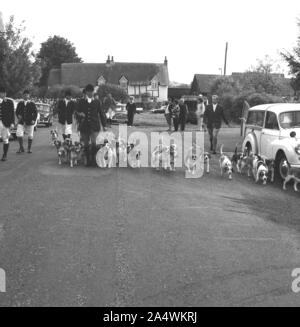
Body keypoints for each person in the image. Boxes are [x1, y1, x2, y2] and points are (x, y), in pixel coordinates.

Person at [75, 84, 107, 166]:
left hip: (94, 125)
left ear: (93, 92)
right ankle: (87, 159)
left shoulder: (97, 102)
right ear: (86, 92)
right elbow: (76, 113)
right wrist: (80, 114)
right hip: (84, 125)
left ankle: (93, 159)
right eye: (88, 92)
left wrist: (104, 125)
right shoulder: (81, 101)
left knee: (94, 143)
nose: (90, 93)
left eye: (91, 92)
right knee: (85, 143)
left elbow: (101, 114)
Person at [15, 90, 38, 154]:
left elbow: (35, 113)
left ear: (29, 95)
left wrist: (34, 119)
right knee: (19, 134)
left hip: (30, 121)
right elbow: (17, 112)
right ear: (23, 95)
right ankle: (21, 147)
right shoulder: (20, 103)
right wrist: (18, 115)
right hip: (21, 122)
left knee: (30, 135)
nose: (26, 96)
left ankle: (29, 149)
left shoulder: (32, 103)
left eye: (27, 95)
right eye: (24, 95)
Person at [0, 87, 15, 161]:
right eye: (2, 92)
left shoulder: (9, 102)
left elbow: (12, 113)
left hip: (5, 123)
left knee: (5, 139)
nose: (3, 94)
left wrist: (12, 122)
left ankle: (4, 155)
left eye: (4, 93)